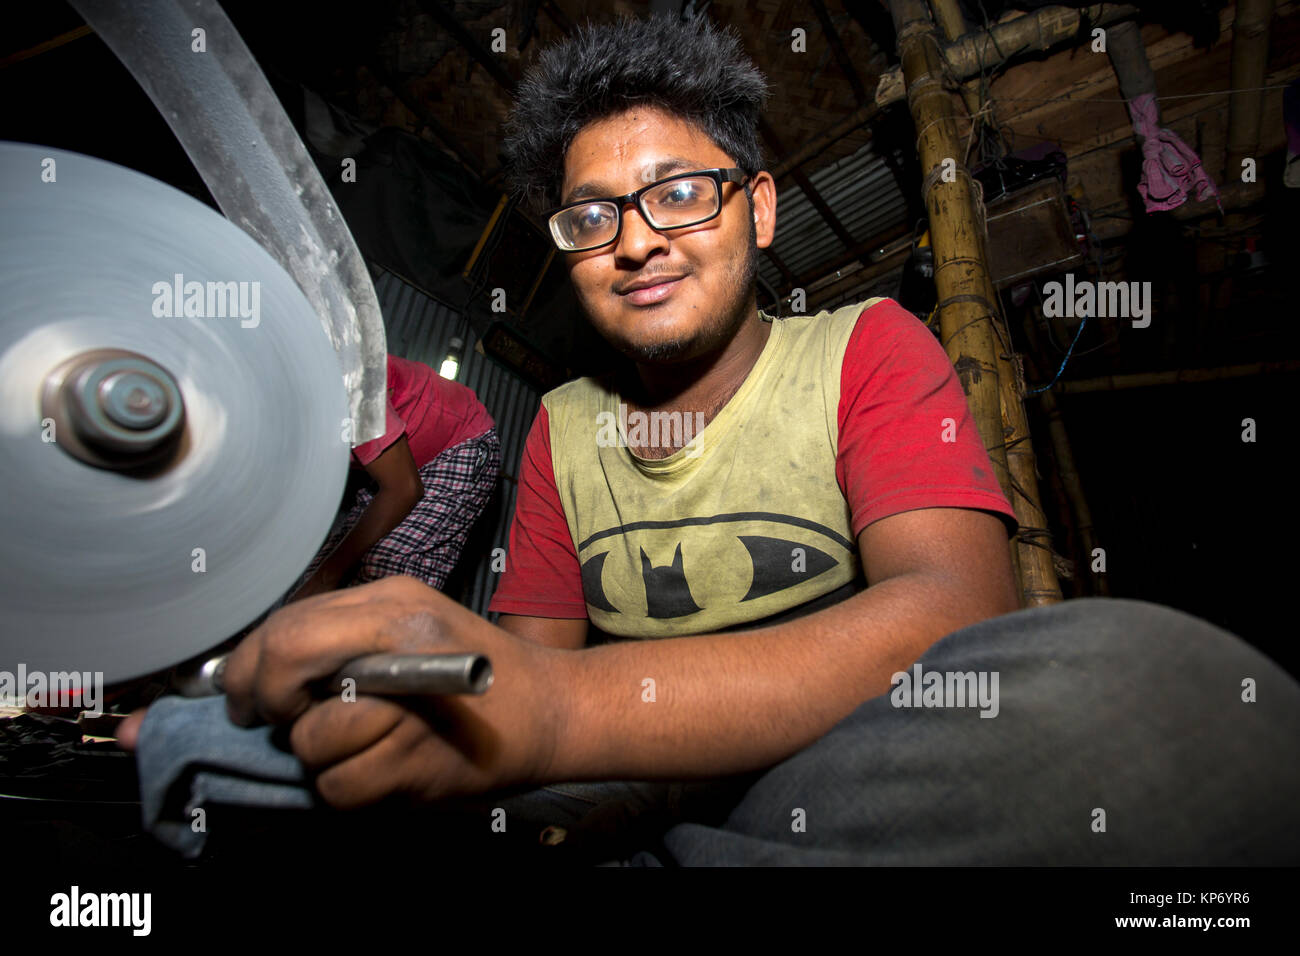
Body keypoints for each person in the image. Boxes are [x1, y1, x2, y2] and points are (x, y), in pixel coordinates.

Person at [119, 14, 1298, 866]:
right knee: (219, 742)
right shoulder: (564, 433)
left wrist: (555, 712)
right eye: (591, 216)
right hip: (626, 794)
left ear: (760, 208)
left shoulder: (866, 349)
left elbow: (954, 618)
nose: (637, 241)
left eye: (682, 192)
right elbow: (528, 677)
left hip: (845, 775)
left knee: (1166, 703)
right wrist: (451, 705)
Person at [288, 352, 499, 599]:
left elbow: (404, 489)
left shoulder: (350, 390)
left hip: (461, 443)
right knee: (323, 573)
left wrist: (325, 578)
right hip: (399, 461)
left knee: (384, 570)